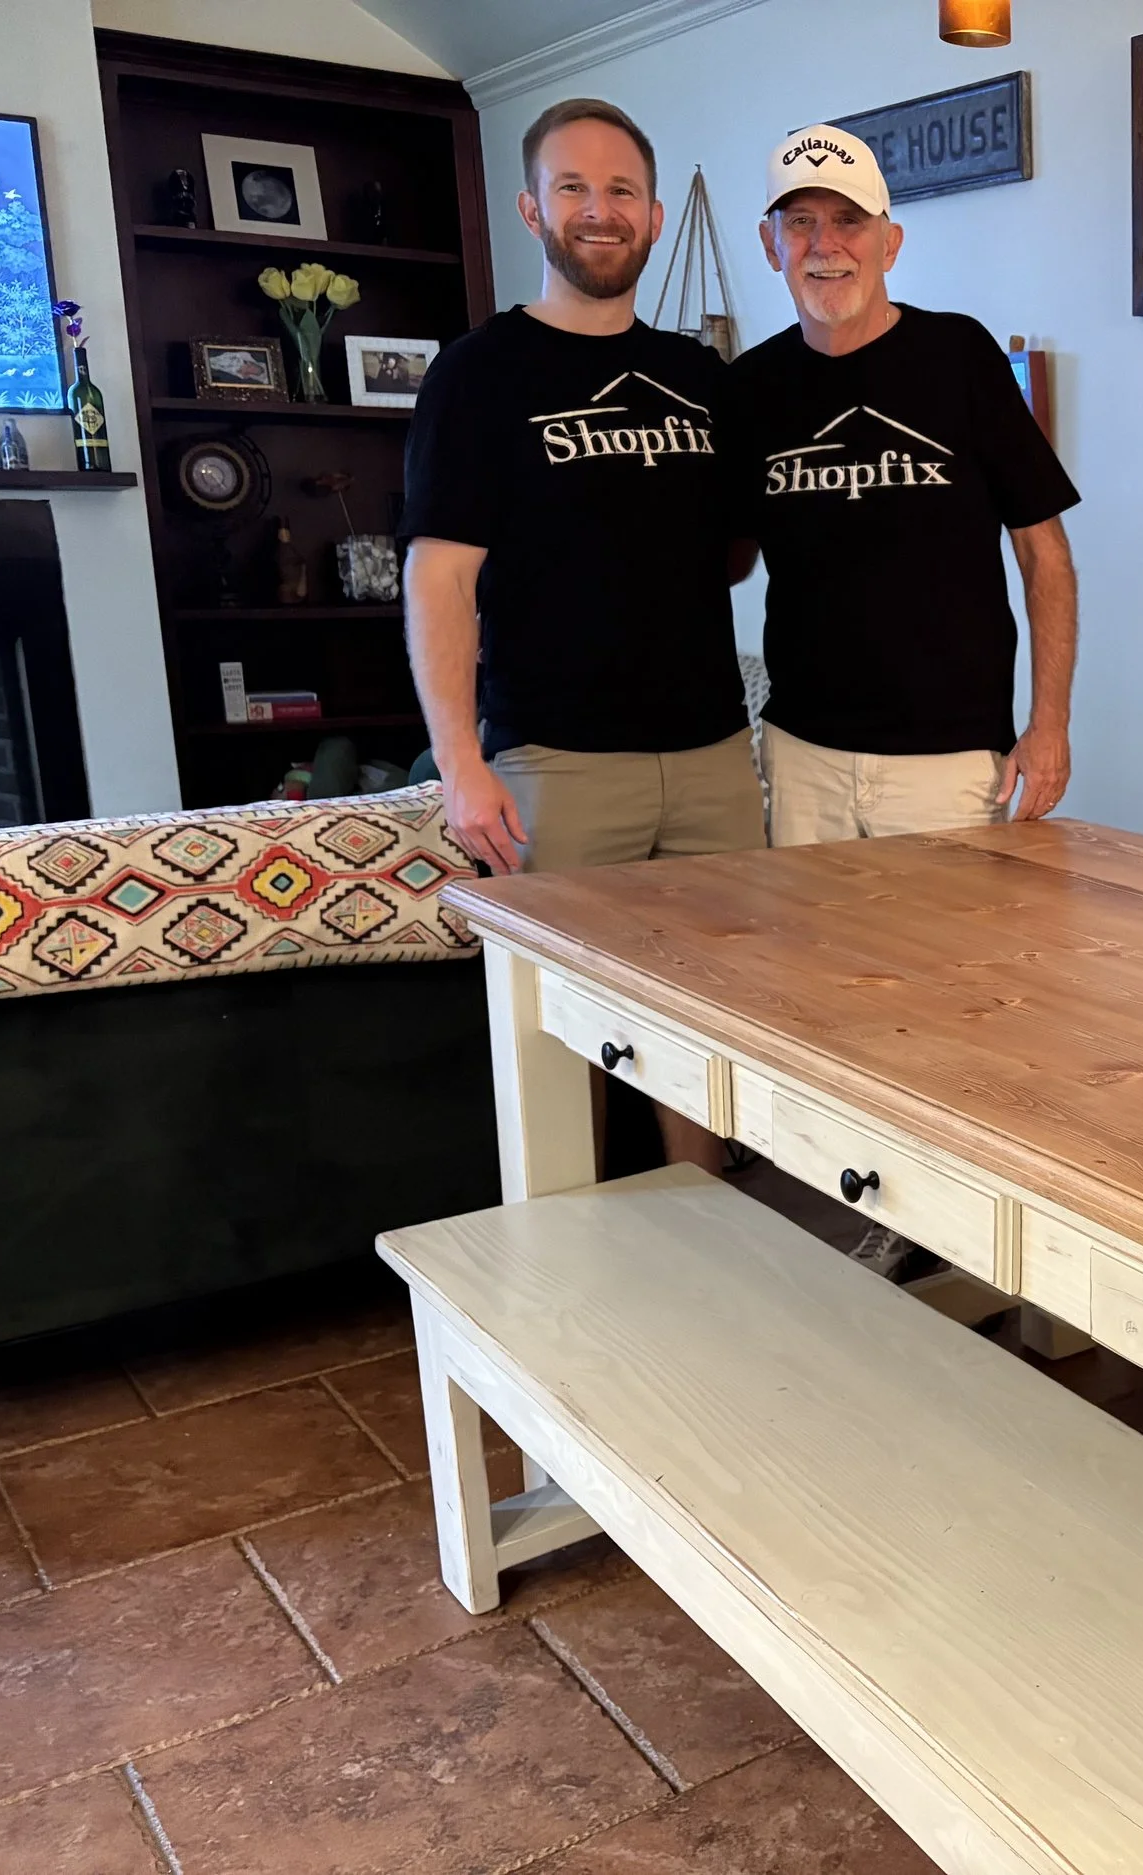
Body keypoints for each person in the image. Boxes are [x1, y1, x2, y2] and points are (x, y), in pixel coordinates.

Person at [400, 97, 759, 1173]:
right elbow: (437, 578)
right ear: (530, 209)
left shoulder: (702, 380)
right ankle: (563, 1248)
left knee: (715, 1009)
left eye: (619, 192)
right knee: (558, 1018)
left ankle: (708, 1213)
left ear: (651, 216)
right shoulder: (477, 374)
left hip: (709, 753)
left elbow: (735, 551)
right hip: (555, 757)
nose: (598, 212)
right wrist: (461, 765)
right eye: (573, 188)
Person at [732, 123, 1081, 846]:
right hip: (802, 754)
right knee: (811, 959)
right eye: (801, 222)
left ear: (889, 242)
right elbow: (728, 554)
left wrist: (1049, 726)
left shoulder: (960, 357)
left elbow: (1044, 553)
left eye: (849, 221)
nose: (825, 245)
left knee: (954, 961)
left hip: (950, 759)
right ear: (772, 246)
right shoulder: (750, 387)